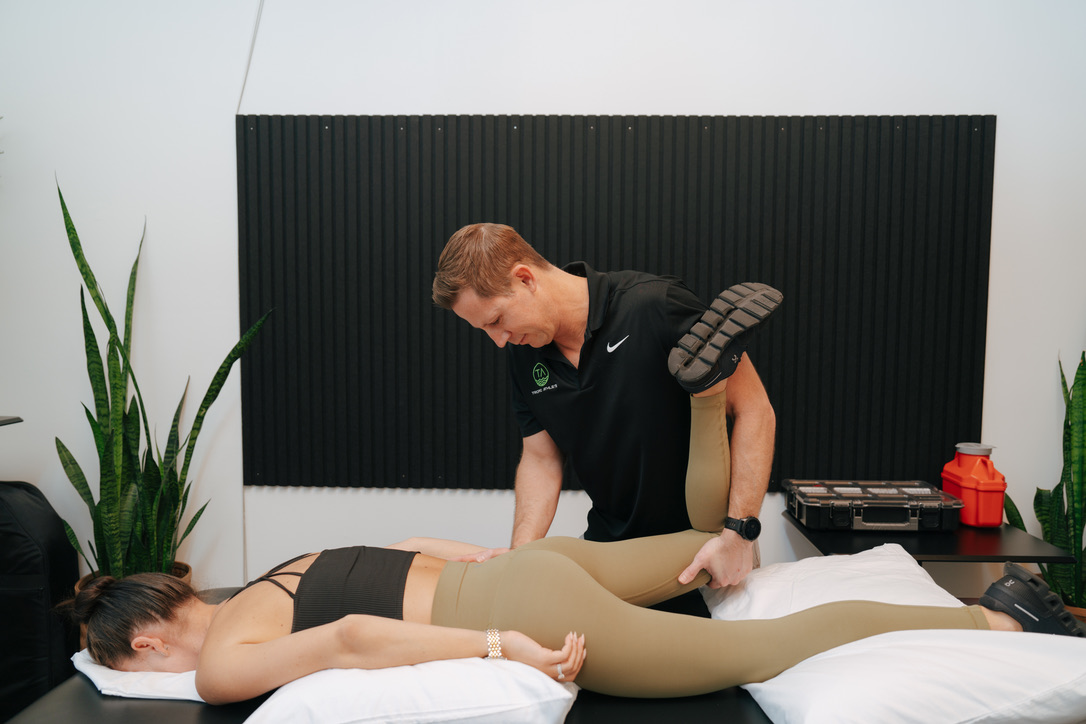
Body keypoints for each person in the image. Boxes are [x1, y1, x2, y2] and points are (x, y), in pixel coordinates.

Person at [62, 397, 1085, 705]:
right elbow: (406, 546)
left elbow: (353, 640)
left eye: (126, 666)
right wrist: (503, 571)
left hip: (527, 609)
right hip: (523, 568)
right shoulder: (278, 570)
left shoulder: (224, 662)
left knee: (761, 649)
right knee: (707, 542)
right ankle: (704, 399)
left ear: (145, 641)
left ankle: (993, 616)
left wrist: (503, 646)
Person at [431, 223, 779, 610]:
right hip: (610, 547)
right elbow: (541, 458)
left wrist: (739, 534)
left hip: (706, 546)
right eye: (484, 330)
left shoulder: (654, 305)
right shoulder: (523, 353)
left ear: (525, 279)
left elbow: (754, 410)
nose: (498, 340)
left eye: (496, 320)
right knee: (540, 615)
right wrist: (520, 556)